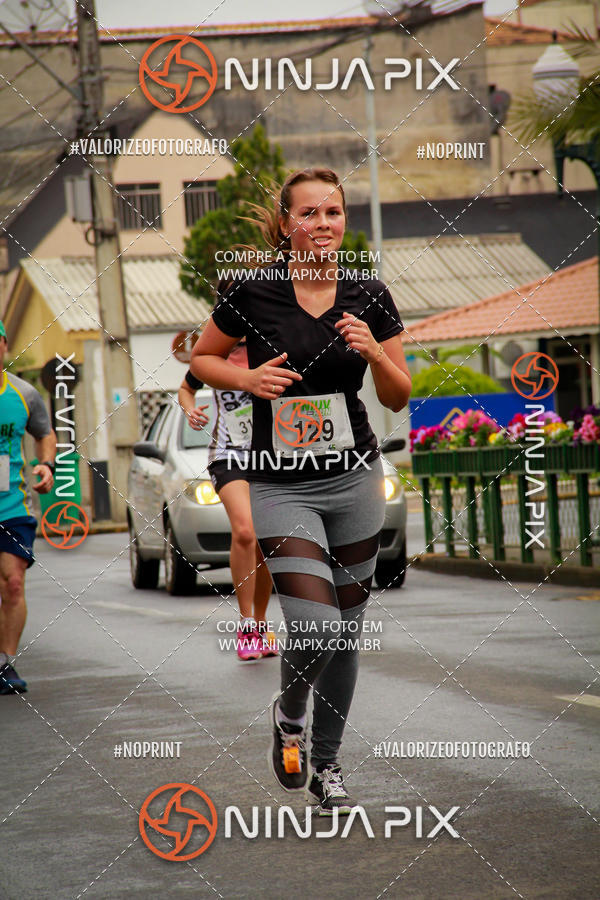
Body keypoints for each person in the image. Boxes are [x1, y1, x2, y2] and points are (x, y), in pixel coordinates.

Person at [190, 168, 411, 814]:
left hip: (354, 478)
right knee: (314, 625)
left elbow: (400, 392)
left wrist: (374, 354)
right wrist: (248, 378)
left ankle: (329, 765)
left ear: (346, 221)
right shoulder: (253, 292)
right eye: (308, 213)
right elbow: (201, 359)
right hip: (280, 484)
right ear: (286, 224)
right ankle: (290, 714)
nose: (322, 224)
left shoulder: (370, 295)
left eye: (333, 213)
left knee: (347, 631)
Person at [178, 337, 276, 661]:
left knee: (264, 542)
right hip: (227, 455)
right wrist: (190, 410)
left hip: (271, 456)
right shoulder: (214, 351)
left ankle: (261, 624)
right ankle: (246, 624)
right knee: (245, 531)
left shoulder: (271, 341)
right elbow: (185, 389)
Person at [0, 321, 56, 694]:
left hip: (12, 504)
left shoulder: (23, 393)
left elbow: (46, 433)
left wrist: (46, 464)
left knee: (14, 584)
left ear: (5, 346)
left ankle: (5, 661)